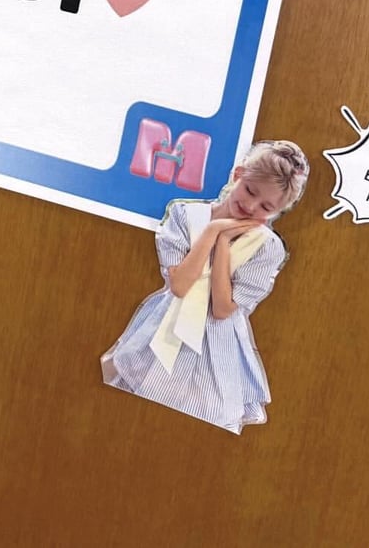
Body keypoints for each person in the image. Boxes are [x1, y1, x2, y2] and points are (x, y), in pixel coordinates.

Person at [101, 140, 309, 434]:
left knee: (194, 430)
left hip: (217, 349)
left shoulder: (267, 247)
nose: (251, 207)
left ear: (278, 211)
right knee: (130, 417)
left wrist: (223, 243)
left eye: (266, 207)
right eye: (250, 191)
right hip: (165, 330)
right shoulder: (185, 215)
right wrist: (212, 230)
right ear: (238, 175)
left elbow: (223, 310)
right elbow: (180, 286)